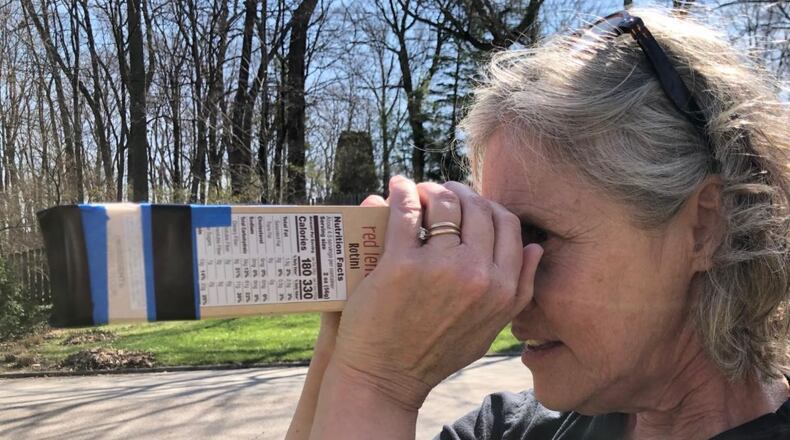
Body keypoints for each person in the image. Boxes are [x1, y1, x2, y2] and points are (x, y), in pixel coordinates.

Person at [286, 7, 790, 439]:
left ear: (703, 228)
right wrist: (352, 341)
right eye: (495, 229)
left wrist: (380, 383)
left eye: (534, 236)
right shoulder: (506, 430)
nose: (505, 288)